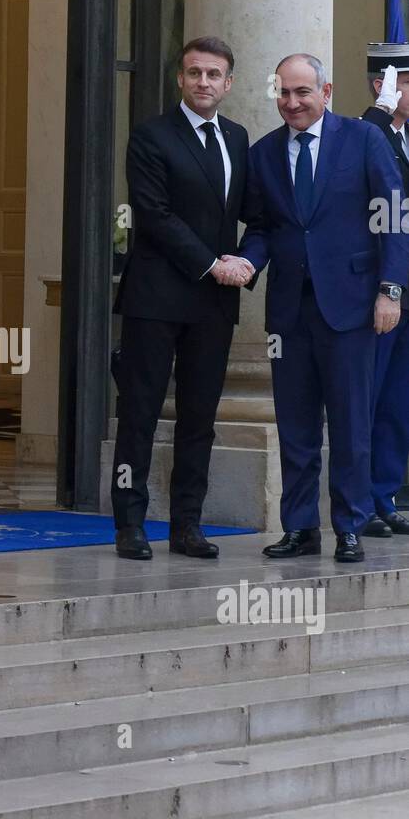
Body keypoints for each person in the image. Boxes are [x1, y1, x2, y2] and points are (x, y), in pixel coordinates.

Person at [238, 53, 409, 563]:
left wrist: (391, 290)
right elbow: (263, 227)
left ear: (326, 92)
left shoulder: (362, 139)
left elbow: (394, 215)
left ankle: (350, 526)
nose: (292, 103)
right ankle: (300, 528)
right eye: (284, 94)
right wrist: (247, 264)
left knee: (353, 420)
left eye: (302, 93)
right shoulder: (265, 153)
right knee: (295, 425)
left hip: (354, 308)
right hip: (289, 313)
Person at [112, 36, 254, 561]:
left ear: (228, 83)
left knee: (200, 418)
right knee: (140, 414)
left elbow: (253, 215)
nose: (203, 83)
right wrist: (213, 263)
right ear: (180, 79)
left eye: (214, 75)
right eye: (194, 73)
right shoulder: (151, 136)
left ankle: (187, 526)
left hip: (212, 306)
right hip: (156, 298)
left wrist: (248, 261)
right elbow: (154, 215)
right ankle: (129, 524)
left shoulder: (237, 139)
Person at [358, 46, 409, 537]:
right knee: (367, 399)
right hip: (380, 292)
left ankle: (385, 495)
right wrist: (378, 112)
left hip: (408, 291)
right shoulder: (365, 133)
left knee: (398, 401)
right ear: (384, 86)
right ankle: (360, 502)